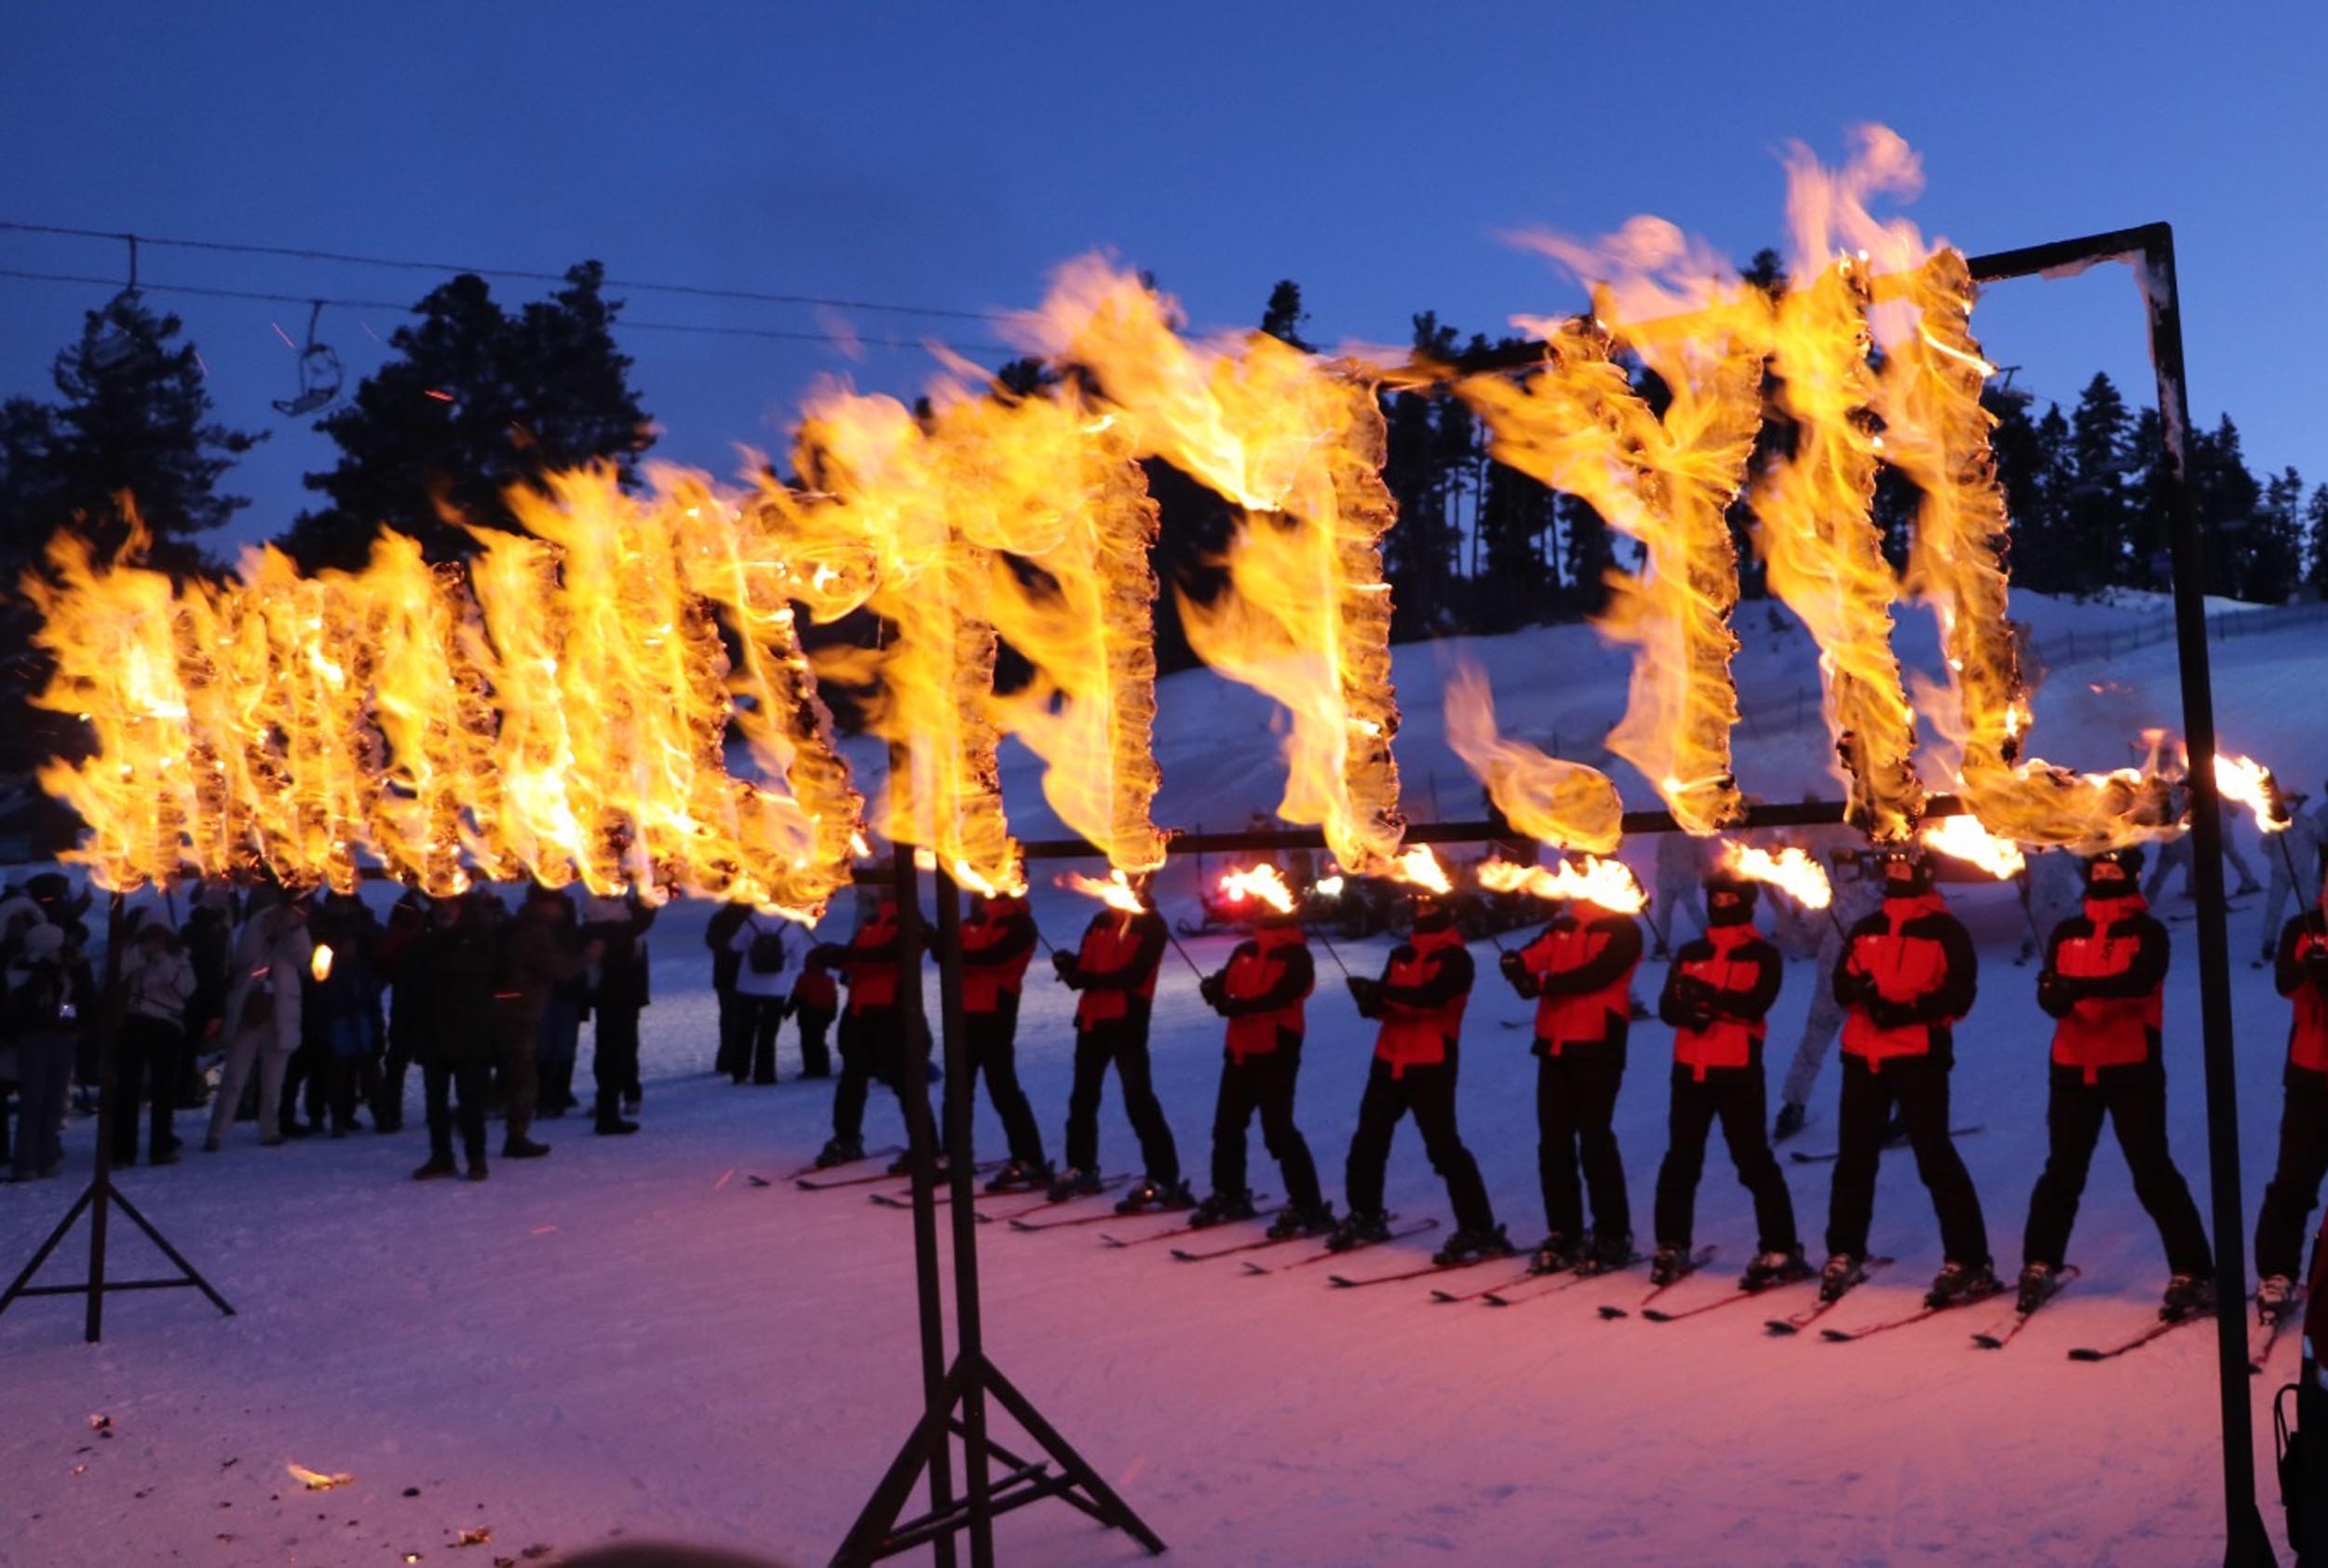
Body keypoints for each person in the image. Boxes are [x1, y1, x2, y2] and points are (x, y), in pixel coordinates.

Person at [2018, 847, 2214, 1318]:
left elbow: (2139, 981)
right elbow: (2052, 991)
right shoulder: (2069, 931)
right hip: (2071, 1065)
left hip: (2131, 1065)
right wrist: (2055, 996)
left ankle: (2194, 1271)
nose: (2105, 876)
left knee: (2151, 1170)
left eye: (2115, 870)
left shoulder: (2148, 931)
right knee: (2062, 1170)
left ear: (2132, 875)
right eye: (2099, 870)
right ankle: (2040, 1262)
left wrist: (2078, 989)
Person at [1820, 846, 1995, 1307]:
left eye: (1905, 868)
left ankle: (1969, 1259)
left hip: (1918, 1056)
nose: (1895, 873)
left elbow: (1958, 996)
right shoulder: (1867, 928)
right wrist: (1858, 992)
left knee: (1934, 1156)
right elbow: (1841, 984)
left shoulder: (1945, 931)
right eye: (1891, 867)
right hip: (1863, 1056)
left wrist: (1906, 1010)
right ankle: (1844, 1250)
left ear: (1925, 873)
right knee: (1854, 1158)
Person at [1336, 889, 1508, 1264]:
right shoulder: (1402, 954)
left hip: (1431, 1061)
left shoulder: (1457, 959)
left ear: (1447, 909)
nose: (1422, 910)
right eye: (1419, 904)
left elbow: (1432, 999)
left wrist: (1382, 993)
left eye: (1430, 905)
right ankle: (1365, 1214)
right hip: (1389, 1058)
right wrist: (1370, 1001)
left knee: (1444, 1148)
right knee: (1368, 1141)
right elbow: (1390, 1005)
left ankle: (1478, 1227)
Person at [1652, 873, 1806, 1290]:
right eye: (1715, 897)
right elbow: (1668, 1007)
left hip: (1736, 1069)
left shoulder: (1761, 954)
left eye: (1730, 898)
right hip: (1689, 1069)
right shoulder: (1691, 951)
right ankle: (1671, 1243)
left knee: (1751, 1160)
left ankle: (1781, 1245)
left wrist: (1708, 998)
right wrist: (1690, 1012)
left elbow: (1755, 1005)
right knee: (1680, 1160)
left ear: (1746, 902)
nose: (1721, 904)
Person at [1499, 882, 1644, 1274]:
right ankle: (1565, 1230)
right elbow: (1534, 956)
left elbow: (1598, 975)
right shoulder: (1562, 926)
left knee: (1595, 1141)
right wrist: (1517, 967)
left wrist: (1544, 983)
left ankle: (1613, 1233)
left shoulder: (1624, 930)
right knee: (1554, 1145)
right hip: (1554, 1044)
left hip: (1598, 1045)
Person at [1194, 899, 1331, 1237]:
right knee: (1226, 1125)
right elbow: (1227, 984)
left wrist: (1241, 1006)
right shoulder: (1246, 950)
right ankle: (1229, 1193)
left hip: (1276, 1050)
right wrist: (1214, 990)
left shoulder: (1297, 956)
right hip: (1240, 1048)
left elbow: (1284, 995)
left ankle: (1307, 1205)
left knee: (1278, 1129)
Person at [1050, 876, 1187, 1212]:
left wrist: (1086, 978)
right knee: (1082, 1097)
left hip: (1127, 1021)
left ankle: (1164, 1177)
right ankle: (1081, 1166)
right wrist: (1071, 967)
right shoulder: (1101, 921)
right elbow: (1087, 965)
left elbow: (1133, 975)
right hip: (1092, 1019)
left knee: (1138, 1099)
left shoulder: (1150, 925)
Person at [2255, 843, 2328, 1325]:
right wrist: (2312, 971)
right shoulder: (2303, 930)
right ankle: (2277, 1273)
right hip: (2311, 1075)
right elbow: (2284, 982)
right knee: (2293, 1182)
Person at [812, 894, 937, 1169]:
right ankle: (846, 1140)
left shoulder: (910, 921)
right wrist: (835, 958)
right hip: (860, 1011)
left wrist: (846, 956)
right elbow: (857, 959)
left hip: (894, 1014)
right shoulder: (871, 922)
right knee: (851, 1081)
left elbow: (893, 956)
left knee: (906, 1084)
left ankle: (925, 1147)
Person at [1773, 855, 1882, 1142]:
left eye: (1850, 863)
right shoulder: (1825, 897)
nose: (1845, 869)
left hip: (1864, 986)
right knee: (1813, 1044)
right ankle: (1793, 1104)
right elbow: (1808, 934)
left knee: (1879, 1049)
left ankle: (1898, 1106)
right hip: (1829, 986)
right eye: (1841, 862)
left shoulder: (1876, 900)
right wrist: (1794, 921)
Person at [956, 890, 1051, 1191]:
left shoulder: (1020, 924)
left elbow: (995, 958)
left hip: (996, 1011)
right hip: (963, 1011)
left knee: (1002, 1088)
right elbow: (947, 951)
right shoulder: (974, 919)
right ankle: (956, 1153)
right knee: (958, 1089)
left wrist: (956, 954)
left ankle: (1029, 1158)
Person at [493, 886, 596, 1158]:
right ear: (545, 905)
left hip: (509, 1005)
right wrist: (589, 958)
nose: (561, 911)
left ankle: (487, 1116)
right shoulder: (534, 931)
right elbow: (559, 969)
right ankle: (516, 1135)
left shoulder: (520, 925)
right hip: (520, 1009)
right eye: (557, 904)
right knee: (523, 1075)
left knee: (512, 1070)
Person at [204, 900, 314, 1152]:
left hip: (282, 1009)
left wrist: (294, 932)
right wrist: (267, 935)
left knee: (274, 1078)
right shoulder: (258, 921)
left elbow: (306, 963)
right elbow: (244, 959)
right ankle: (217, 1132)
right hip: (251, 1007)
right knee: (235, 1075)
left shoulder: (298, 925)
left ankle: (270, 1128)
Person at [404, 892, 499, 1181]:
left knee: (470, 1101)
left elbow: (488, 969)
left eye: (450, 904)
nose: (445, 910)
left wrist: (449, 955)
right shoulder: (424, 940)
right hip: (434, 1033)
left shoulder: (478, 937)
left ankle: (476, 1157)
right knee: (436, 1102)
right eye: (440, 904)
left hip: (470, 1033)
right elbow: (412, 982)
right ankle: (441, 1156)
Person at [115, 913, 196, 1166]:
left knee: (164, 1088)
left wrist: (161, 958)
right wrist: (142, 952)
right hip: (135, 1021)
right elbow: (116, 971)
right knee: (128, 1087)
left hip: (168, 1024)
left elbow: (187, 988)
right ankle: (122, 1149)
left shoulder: (179, 957)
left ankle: (161, 1145)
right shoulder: (132, 953)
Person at [7, 922, 82, 1182]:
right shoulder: (23, 967)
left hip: (58, 1036)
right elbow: (25, 1004)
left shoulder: (64, 971)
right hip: (34, 1036)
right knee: (35, 1099)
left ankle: (45, 1156)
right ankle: (26, 1160)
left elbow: (68, 1002)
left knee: (54, 1099)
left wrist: (65, 1020)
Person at [311, 890, 386, 1137]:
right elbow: (318, 975)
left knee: (367, 1063)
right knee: (339, 1065)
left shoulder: (363, 929)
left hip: (360, 999)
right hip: (336, 1004)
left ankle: (375, 1112)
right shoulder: (322, 928)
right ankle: (339, 1116)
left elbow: (378, 950)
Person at [582, 892, 657, 1135]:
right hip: (618, 999)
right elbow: (642, 919)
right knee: (614, 1053)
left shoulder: (595, 927)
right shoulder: (614, 931)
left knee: (610, 1052)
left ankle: (609, 1106)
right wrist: (651, 891)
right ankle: (608, 1113)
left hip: (614, 999)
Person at [371, 887, 429, 1132]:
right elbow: (386, 954)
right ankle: (391, 1112)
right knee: (398, 1057)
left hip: (429, 994)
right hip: (408, 993)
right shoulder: (405, 908)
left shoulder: (440, 905)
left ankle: (431, 1111)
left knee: (432, 1058)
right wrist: (399, 976)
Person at [2255, 787, 2328, 968]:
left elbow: (2322, 841)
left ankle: (2316, 940)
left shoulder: (2309, 823)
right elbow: (2264, 846)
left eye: (2293, 801)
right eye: (2287, 801)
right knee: (2274, 907)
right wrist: (2278, 859)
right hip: (2281, 874)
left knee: (2310, 907)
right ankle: (2269, 942)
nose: (2290, 806)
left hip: (2303, 873)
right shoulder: (2274, 825)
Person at [533, 885, 587, 1117]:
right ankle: (545, 1095)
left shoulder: (569, 924)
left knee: (564, 1045)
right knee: (545, 1045)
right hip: (546, 991)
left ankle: (559, 1092)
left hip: (567, 992)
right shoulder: (534, 927)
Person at [728, 905, 791, 1086]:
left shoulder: (749, 921)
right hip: (776, 989)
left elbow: (734, 946)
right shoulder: (790, 923)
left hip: (748, 986)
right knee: (768, 1034)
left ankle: (740, 1072)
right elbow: (798, 959)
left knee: (744, 1031)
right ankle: (765, 1074)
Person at [705, 899, 754, 1079]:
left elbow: (711, 941)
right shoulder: (753, 918)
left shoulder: (720, 918)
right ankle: (742, 1060)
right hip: (748, 976)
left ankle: (726, 1060)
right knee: (747, 1020)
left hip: (725, 976)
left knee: (727, 1019)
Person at [1647, 831, 1708, 961]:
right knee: (1665, 912)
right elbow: (1661, 855)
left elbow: (1701, 856)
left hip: (1684, 876)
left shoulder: (1691, 832)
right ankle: (1661, 944)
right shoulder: (1666, 833)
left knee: (1691, 908)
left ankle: (1709, 936)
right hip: (1667, 877)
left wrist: (1705, 873)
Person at [787, 947, 837, 1080]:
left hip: (808, 1015)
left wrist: (787, 1011)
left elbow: (796, 997)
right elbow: (833, 998)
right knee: (820, 1041)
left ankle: (811, 1068)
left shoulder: (804, 978)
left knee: (808, 1043)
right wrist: (832, 1014)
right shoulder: (829, 980)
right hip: (824, 1015)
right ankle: (823, 1067)